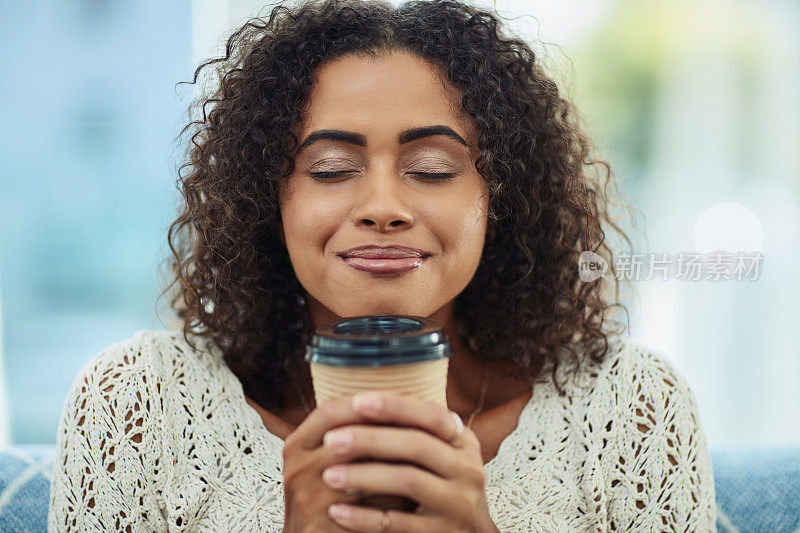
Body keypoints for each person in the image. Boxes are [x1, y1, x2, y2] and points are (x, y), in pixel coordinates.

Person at [48, 0, 717, 530]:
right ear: (266, 198)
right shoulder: (140, 404)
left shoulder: (632, 409)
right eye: (333, 169)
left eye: (431, 169)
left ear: (499, 196)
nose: (383, 206)